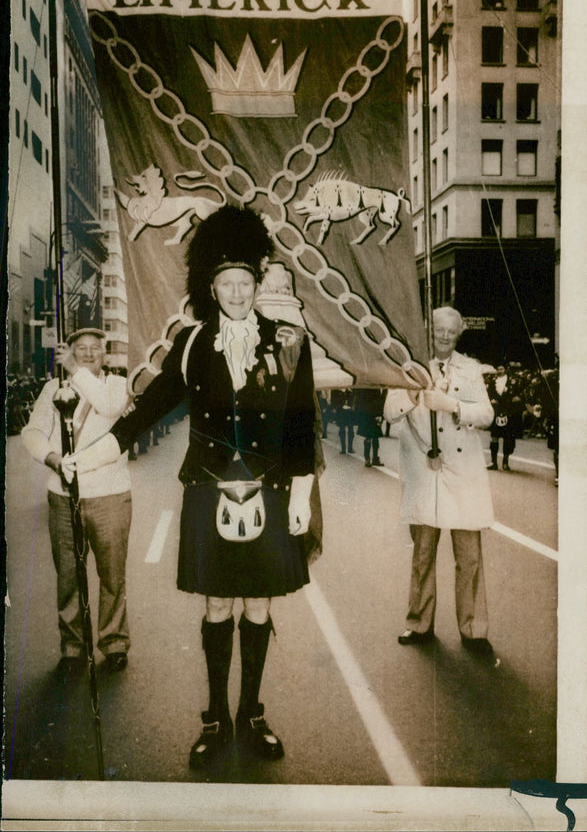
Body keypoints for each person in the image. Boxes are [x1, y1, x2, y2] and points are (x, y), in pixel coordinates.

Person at [64, 206, 317, 767]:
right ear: (212, 287)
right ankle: (214, 718)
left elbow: (302, 424)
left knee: (257, 604)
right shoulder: (193, 342)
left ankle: (252, 712)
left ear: (257, 281)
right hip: (208, 487)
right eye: (225, 283)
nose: (235, 292)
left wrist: (300, 497)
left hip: (270, 490)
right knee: (218, 603)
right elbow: (148, 410)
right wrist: (89, 455)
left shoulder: (288, 340)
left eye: (244, 282)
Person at [384, 307, 496, 658]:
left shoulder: (471, 369)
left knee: (469, 557)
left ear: (460, 332)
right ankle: (419, 622)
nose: (444, 336)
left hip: (462, 474)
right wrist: (415, 394)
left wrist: (451, 404)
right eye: (438, 330)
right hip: (424, 471)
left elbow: (487, 415)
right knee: (422, 555)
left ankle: (474, 629)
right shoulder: (407, 364)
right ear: (428, 329)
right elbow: (388, 413)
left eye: (451, 331)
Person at [21, 328, 133, 676]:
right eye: (79, 349)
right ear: (70, 351)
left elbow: (108, 406)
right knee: (68, 575)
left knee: (112, 575)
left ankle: (113, 642)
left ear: (106, 355)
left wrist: (73, 369)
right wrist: (52, 457)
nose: (87, 354)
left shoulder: (116, 386)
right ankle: (72, 647)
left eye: (94, 349)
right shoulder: (52, 389)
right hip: (63, 493)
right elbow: (32, 431)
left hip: (109, 494)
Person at [486, 362, 525, 471]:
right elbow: (487, 394)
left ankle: (505, 462)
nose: (499, 371)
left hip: (509, 411)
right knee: (494, 436)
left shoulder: (513, 381)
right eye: (498, 369)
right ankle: (493, 462)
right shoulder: (492, 381)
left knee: (508, 437)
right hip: (496, 411)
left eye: (501, 369)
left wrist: (517, 399)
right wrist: (491, 400)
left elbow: (520, 394)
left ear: (505, 369)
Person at [354, 387, 385, 467]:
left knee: (374, 437)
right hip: (368, 414)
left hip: (370, 414)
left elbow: (380, 400)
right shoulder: (370, 386)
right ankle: (368, 459)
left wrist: (380, 414)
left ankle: (373, 458)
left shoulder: (372, 385)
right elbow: (362, 400)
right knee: (370, 437)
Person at [330, 387, 356, 454]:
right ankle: (343, 448)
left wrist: (351, 406)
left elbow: (354, 400)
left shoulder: (350, 390)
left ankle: (350, 448)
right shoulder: (335, 390)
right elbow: (333, 401)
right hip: (341, 412)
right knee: (342, 429)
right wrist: (340, 406)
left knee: (351, 429)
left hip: (350, 412)